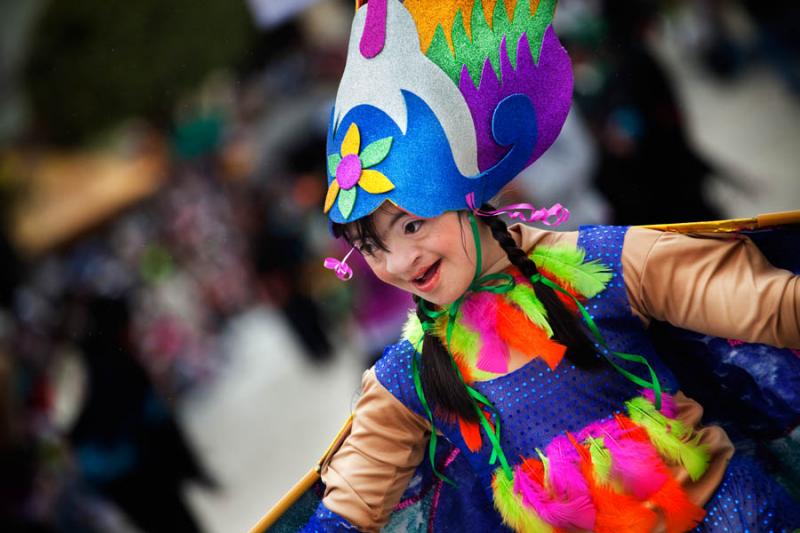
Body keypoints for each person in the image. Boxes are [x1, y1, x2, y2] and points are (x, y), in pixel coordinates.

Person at [301, 0, 800, 531]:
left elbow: (773, 308)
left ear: (465, 197)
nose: (399, 262)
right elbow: (348, 507)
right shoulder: (407, 375)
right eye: (370, 247)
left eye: (411, 224)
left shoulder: (601, 264)